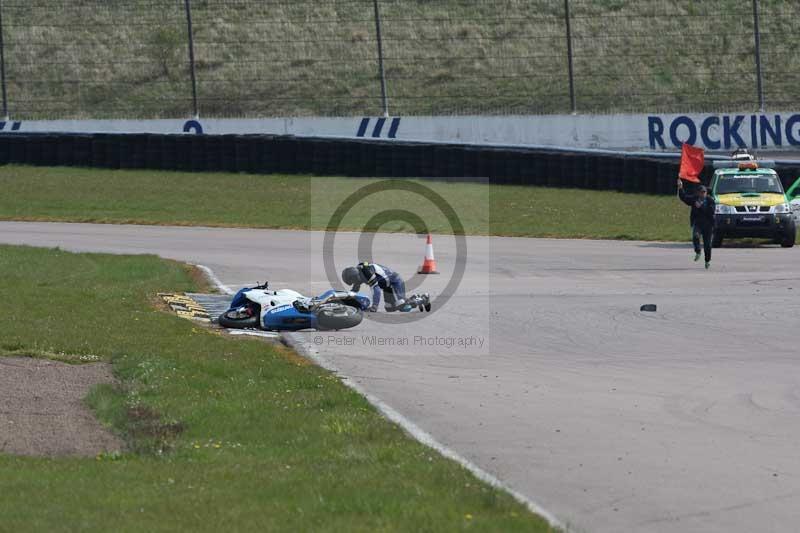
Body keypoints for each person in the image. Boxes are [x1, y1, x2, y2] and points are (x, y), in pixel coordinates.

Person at [677, 178, 716, 269]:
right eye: (701, 192)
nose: (702, 194)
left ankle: (707, 261)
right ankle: (698, 251)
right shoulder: (694, 199)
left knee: (707, 245)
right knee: (695, 236)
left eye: (704, 192)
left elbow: (711, 211)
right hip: (698, 223)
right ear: (698, 193)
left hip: (708, 225)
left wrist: (701, 206)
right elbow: (684, 198)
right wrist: (680, 187)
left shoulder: (710, 200)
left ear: (706, 193)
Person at [342, 262, 406, 312]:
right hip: (387, 287)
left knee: (402, 305)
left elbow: (376, 290)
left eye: (353, 281)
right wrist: (345, 300)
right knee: (389, 308)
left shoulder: (367, 272)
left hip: (395, 282)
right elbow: (355, 290)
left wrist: (374, 306)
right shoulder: (358, 274)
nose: (354, 282)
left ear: (355, 276)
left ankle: (415, 299)